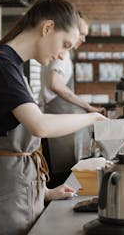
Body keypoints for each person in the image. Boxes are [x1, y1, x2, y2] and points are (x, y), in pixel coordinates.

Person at [0, 0, 107, 235]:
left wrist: (46, 193)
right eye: (65, 45)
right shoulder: (2, 65)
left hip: (17, 193)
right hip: (5, 199)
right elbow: (39, 125)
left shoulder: (14, 66)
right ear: (47, 28)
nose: (62, 55)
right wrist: (92, 117)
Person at [40, 12, 105, 188]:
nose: (82, 39)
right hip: (56, 129)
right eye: (81, 33)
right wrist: (88, 107)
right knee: (59, 180)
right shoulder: (63, 56)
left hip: (58, 128)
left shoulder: (63, 54)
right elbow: (56, 84)